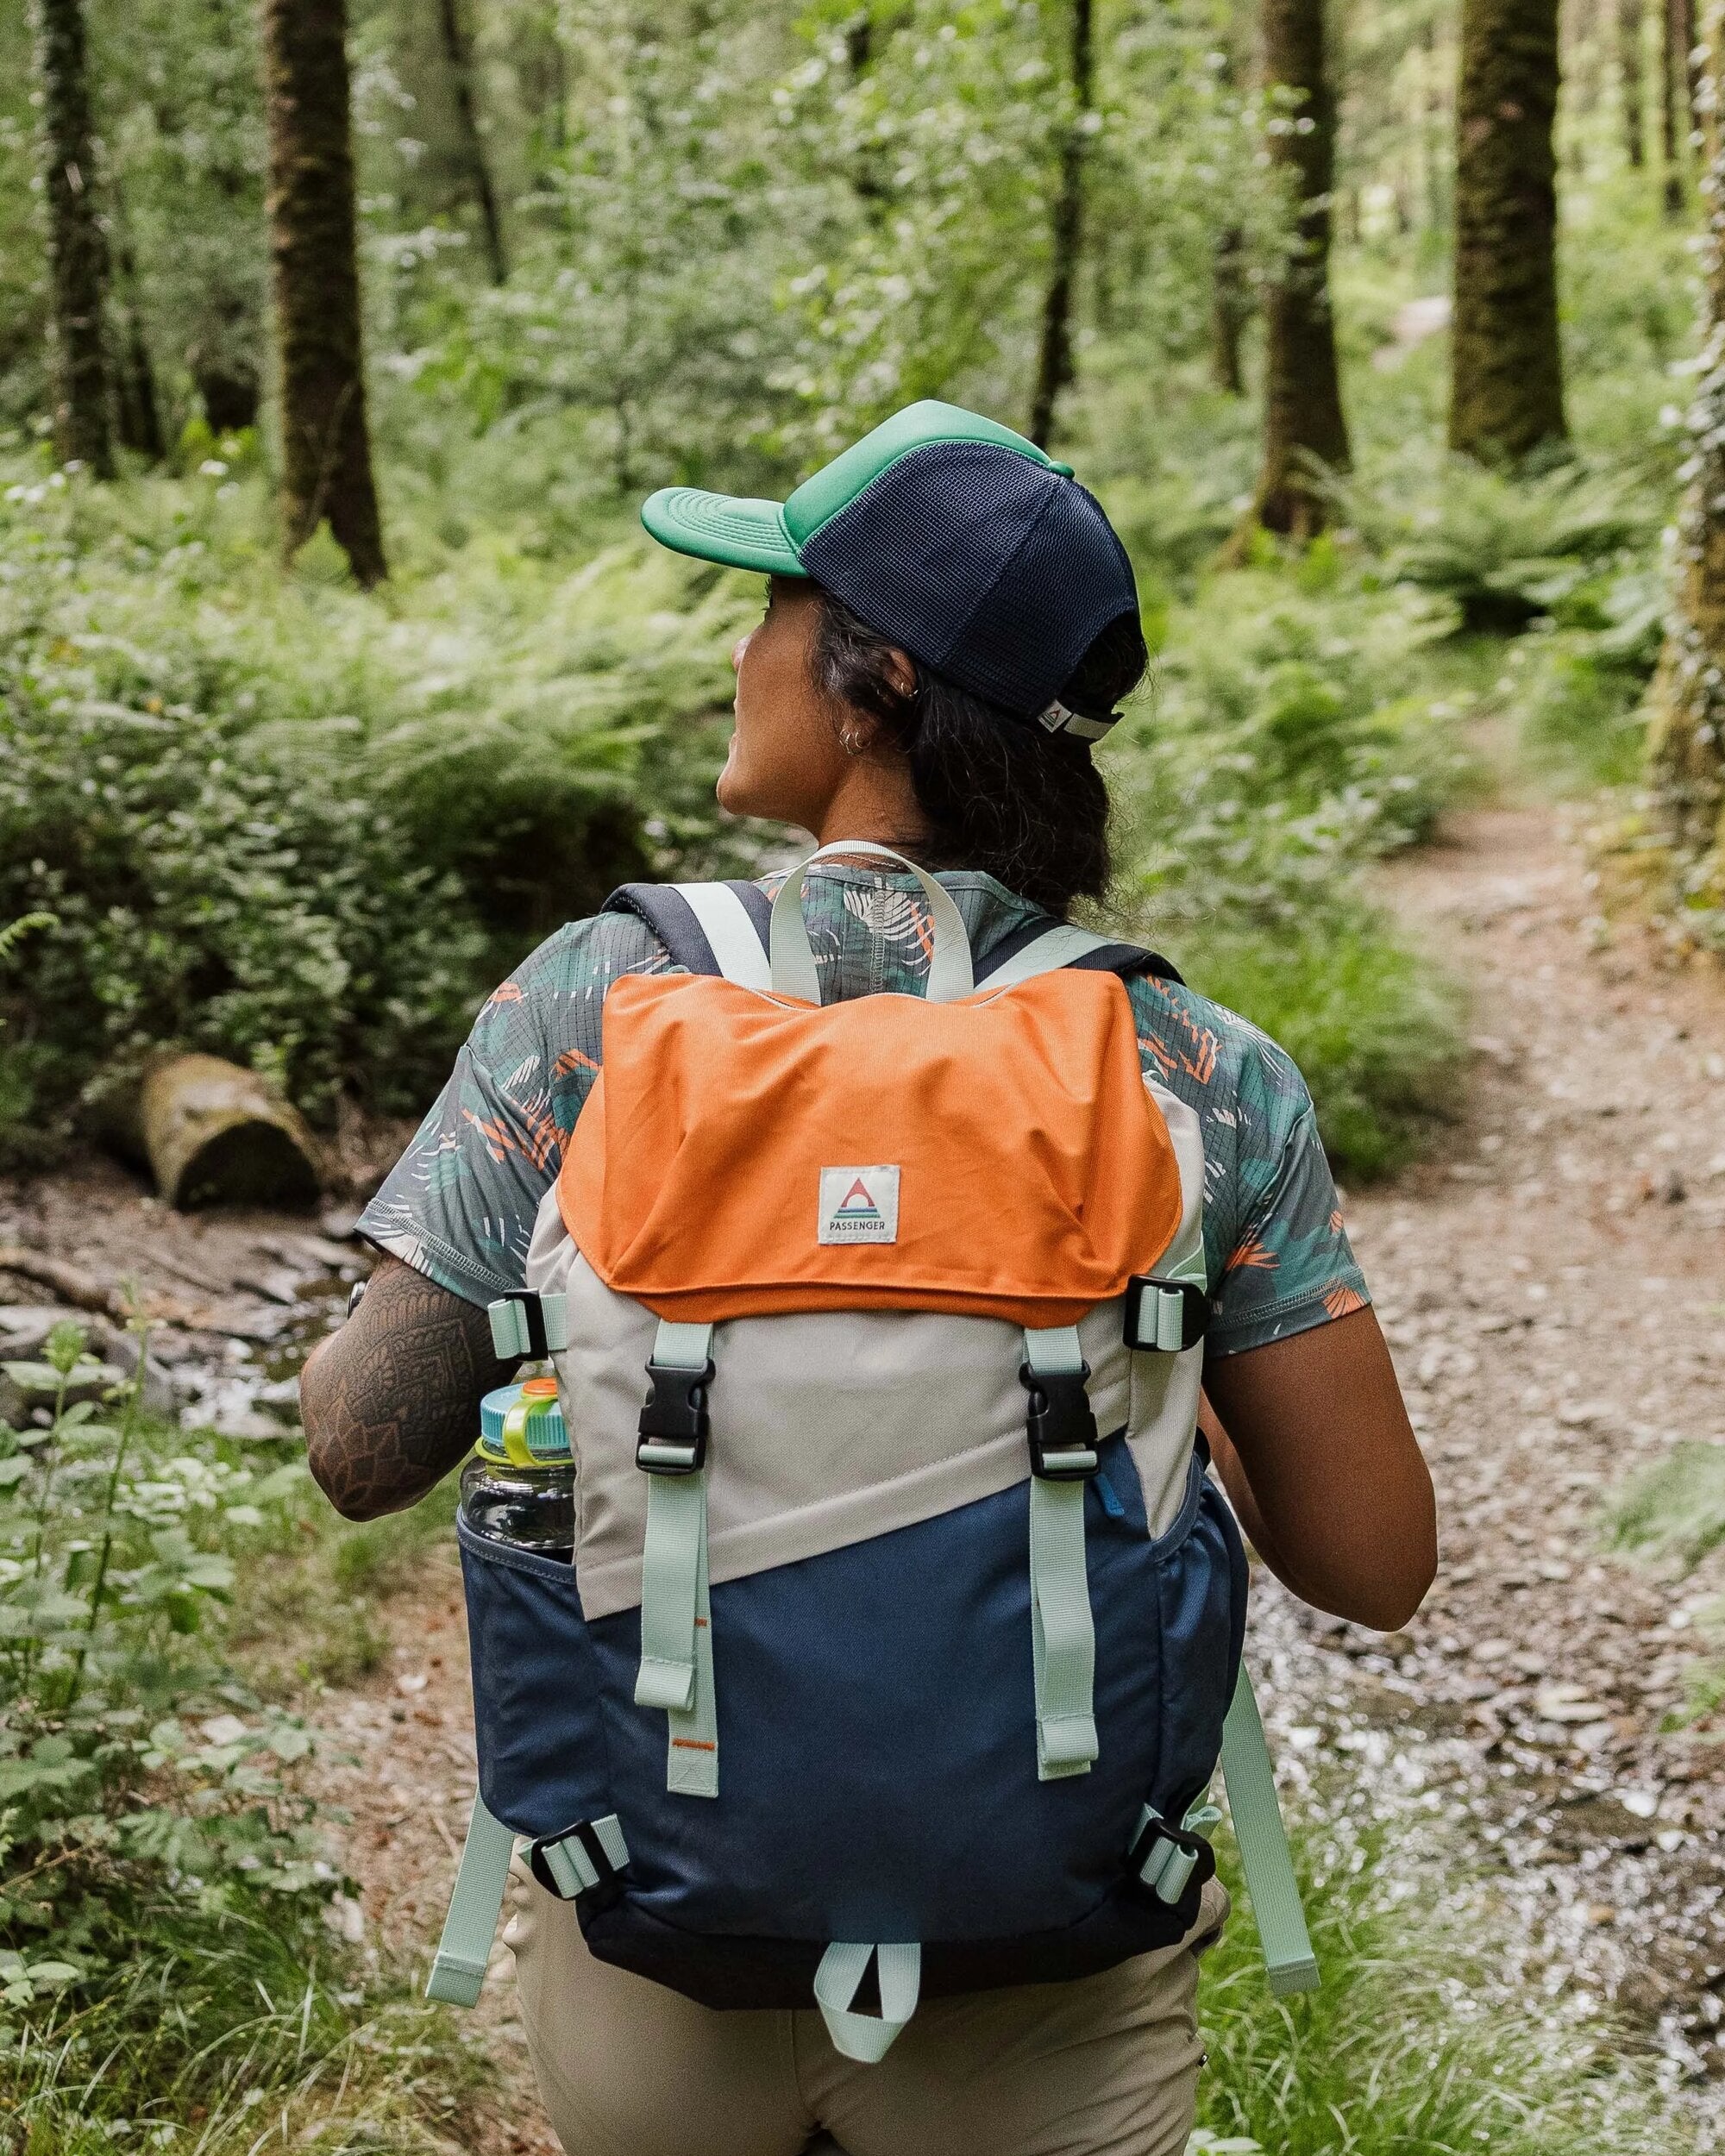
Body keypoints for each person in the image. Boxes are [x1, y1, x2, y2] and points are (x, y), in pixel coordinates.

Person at [300, 400, 1435, 2156]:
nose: (736, 644)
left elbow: (361, 1445)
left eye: (766, 603)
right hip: (1047, 1971)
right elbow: (1370, 1560)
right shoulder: (1192, 1063)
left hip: (660, 1953)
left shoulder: (591, 1003)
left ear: (870, 680)